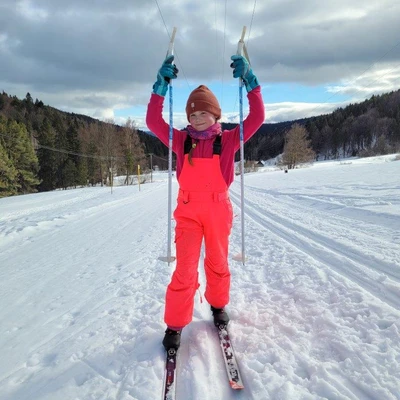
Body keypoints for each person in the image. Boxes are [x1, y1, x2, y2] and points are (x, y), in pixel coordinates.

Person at [146, 53, 265, 350]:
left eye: (203, 114)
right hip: (188, 211)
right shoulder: (180, 140)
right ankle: (175, 324)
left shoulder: (228, 140)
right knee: (185, 268)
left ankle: (218, 305)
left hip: (217, 209)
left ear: (216, 115)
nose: (198, 119)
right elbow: (152, 120)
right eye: (193, 115)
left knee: (217, 262)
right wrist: (159, 88)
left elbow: (258, 117)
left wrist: (251, 82)